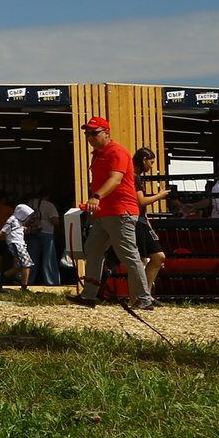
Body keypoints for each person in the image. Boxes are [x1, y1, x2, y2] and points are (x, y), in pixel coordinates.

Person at [71, 116, 152, 312]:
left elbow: (115, 180)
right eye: (87, 133)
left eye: (94, 132)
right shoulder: (98, 154)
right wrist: (96, 209)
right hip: (105, 212)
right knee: (93, 248)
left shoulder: (117, 152)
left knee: (129, 254)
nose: (89, 136)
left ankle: (144, 299)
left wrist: (96, 197)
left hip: (120, 211)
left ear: (106, 133)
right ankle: (89, 295)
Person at [0, 199, 35, 288]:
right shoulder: (12, 219)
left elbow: (15, 229)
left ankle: (2, 276)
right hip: (15, 243)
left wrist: (23, 228)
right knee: (27, 264)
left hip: (20, 243)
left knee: (19, 266)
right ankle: (24, 287)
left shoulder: (19, 221)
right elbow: (3, 231)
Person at [31, 193, 63, 287]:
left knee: (31, 257)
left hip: (33, 231)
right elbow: (54, 220)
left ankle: (26, 279)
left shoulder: (31, 203)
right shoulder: (49, 205)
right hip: (46, 232)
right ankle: (51, 281)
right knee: (48, 257)